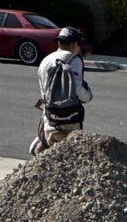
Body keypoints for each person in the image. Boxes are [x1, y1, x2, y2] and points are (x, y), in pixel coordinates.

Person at [31, 27, 93, 155]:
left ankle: (40, 144)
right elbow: (78, 89)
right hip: (69, 121)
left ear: (59, 42)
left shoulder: (45, 61)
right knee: (69, 157)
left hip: (49, 120)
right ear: (75, 44)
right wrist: (89, 96)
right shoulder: (74, 60)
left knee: (52, 158)